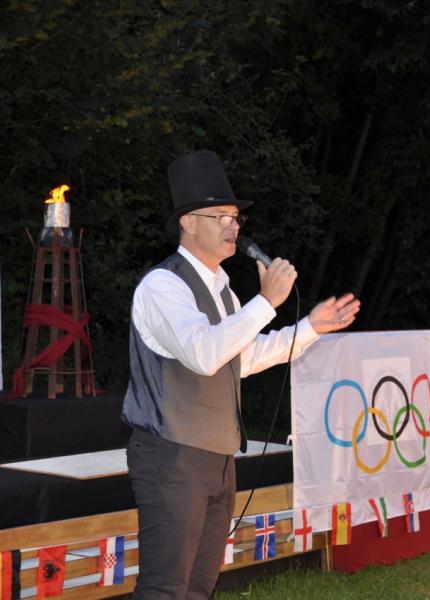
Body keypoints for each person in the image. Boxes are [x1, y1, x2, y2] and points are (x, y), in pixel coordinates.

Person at [121, 150, 360, 599]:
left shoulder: (224, 290)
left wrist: (310, 327)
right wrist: (266, 302)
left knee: (199, 586)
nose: (234, 226)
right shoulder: (162, 285)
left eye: (236, 218)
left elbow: (240, 361)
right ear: (189, 222)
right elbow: (204, 353)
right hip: (171, 457)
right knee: (165, 588)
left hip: (218, 458)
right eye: (222, 217)